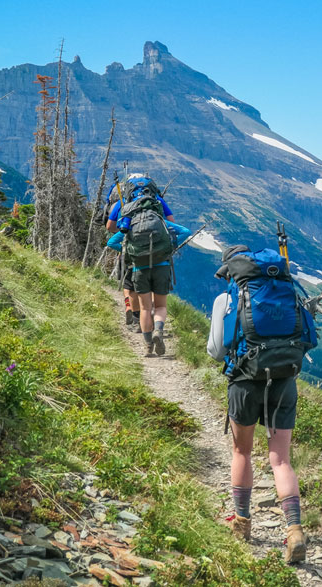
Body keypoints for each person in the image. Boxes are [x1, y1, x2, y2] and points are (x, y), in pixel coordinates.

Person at [206, 248, 306, 563]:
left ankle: (242, 523)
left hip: (245, 381)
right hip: (284, 380)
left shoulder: (227, 299)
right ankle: (294, 531)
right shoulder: (285, 289)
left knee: (242, 452)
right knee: (281, 460)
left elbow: (215, 350)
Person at [106, 218, 191, 355]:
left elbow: (111, 242)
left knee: (144, 308)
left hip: (139, 269)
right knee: (160, 306)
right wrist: (170, 246)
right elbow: (186, 232)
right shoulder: (161, 221)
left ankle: (148, 346)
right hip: (162, 267)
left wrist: (129, 253)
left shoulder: (130, 223)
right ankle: (158, 330)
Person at [105, 174, 175, 331]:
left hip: (132, 251)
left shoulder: (123, 202)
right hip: (157, 251)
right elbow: (171, 222)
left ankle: (136, 316)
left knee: (131, 285)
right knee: (153, 285)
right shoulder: (157, 200)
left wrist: (127, 233)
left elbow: (109, 226)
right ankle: (152, 319)